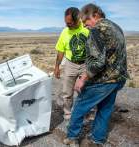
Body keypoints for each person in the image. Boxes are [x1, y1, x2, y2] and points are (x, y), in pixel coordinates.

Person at [64, 3, 129, 146]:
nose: (85, 26)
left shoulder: (96, 30)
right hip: (118, 78)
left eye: (86, 21)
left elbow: (98, 62)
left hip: (103, 80)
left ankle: (72, 137)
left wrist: (82, 78)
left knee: (80, 106)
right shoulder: (115, 27)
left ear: (95, 15)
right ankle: (97, 139)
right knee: (105, 109)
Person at [54, 7, 89, 120]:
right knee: (67, 92)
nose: (67, 25)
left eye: (69, 23)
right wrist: (57, 67)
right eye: (66, 22)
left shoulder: (87, 28)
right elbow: (60, 50)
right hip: (70, 64)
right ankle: (68, 113)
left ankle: (88, 112)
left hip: (86, 64)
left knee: (86, 90)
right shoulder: (65, 32)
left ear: (77, 19)